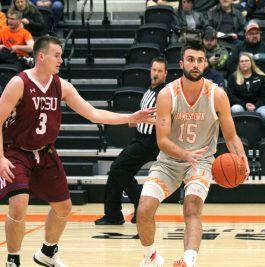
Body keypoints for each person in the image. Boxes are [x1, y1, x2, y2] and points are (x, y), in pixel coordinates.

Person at [0, 35, 156, 267]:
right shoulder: (19, 83)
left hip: (45, 152)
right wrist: (0, 158)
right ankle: (13, 260)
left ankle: (48, 252)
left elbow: (93, 114)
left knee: (64, 207)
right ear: (41, 57)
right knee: (19, 203)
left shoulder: (61, 85)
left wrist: (130, 117)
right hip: (16, 151)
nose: (61, 60)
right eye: (57, 55)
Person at [136, 43, 249, 267]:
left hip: (202, 161)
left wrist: (241, 158)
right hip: (169, 161)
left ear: (205, 63)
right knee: (143, 210)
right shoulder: (167, 94)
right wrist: (186, 154)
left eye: (199, 60)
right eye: (190, 59)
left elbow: (231, 136)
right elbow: (162, 141)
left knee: (192, 207)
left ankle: (188, 260)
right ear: (181, 64)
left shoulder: (217, 94)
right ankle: (152, 257)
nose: (195, 64)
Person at [94, 57, 167, 226]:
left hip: (150, 141)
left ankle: (141, 207)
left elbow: (164, 118)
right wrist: (137, 120)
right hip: (140, 138)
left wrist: (141, 121)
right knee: (116, 172)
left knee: (118, 168)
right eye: (154, 70)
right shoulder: (149, 90)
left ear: (165, 74)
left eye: (159, 71)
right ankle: (113, 214)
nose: (155, 73)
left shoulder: (163, 94)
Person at [227, 52, 265, 122]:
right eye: (241, 61)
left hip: (258, 105)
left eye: (246, 61)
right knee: (235, 109)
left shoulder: (261, 77)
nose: (244, 63)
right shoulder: (233, 77)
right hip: (240, 105)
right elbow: (231, 96)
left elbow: (264, 96)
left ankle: (262, 132)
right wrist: (245, 104)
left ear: (251, 62)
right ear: (239, 64)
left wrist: (255, 106)